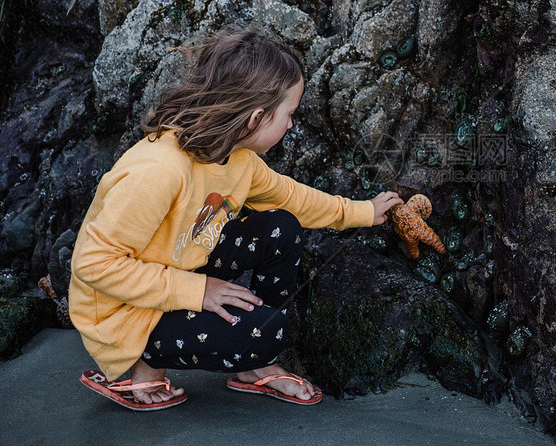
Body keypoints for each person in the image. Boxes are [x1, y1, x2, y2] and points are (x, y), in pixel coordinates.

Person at [69, 25, 403, 410]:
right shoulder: (158, 171)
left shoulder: (238, 160)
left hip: (176, 270)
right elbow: (94, 265)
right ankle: (138, 365)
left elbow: (292, 198)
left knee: (281, 227)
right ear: (256, 118)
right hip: (121, 313)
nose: (291, 125)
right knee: (267, 332)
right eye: (289, 114)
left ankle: (253, 368)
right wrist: (199, 292)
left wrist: (363, 212)